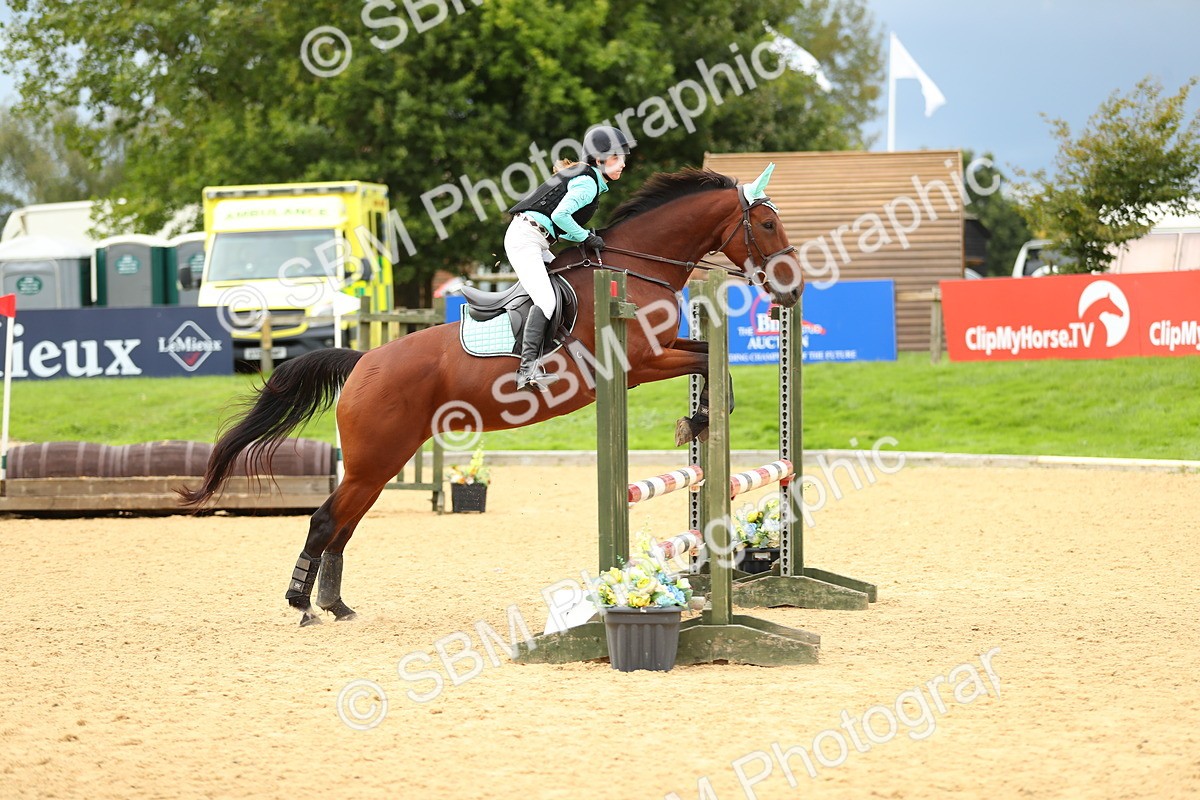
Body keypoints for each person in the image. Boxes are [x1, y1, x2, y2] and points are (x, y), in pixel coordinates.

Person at [504, 124, 634, 391]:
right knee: (546, 300)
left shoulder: (589, 179)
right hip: (526, 239)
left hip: (537, 239)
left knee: (568, 286)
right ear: (598, 160)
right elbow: (560, 216)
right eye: (616, 157)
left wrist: (585, 236)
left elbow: (561, 221)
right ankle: (526, 371)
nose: (622, 164)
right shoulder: (587, 183)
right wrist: (585, 237)